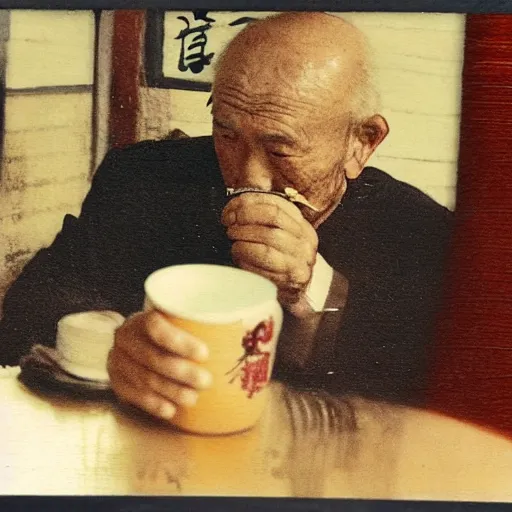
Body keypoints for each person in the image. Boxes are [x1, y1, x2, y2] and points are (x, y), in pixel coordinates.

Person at [0, 12, 452, 419]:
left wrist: (311, 296)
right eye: (227, 134)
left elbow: (420, 398)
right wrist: (109, 346)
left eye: (280, 148)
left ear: (362, 142)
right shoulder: (143, 178)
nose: (249, 174)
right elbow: (28, 312)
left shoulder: (419, 234)